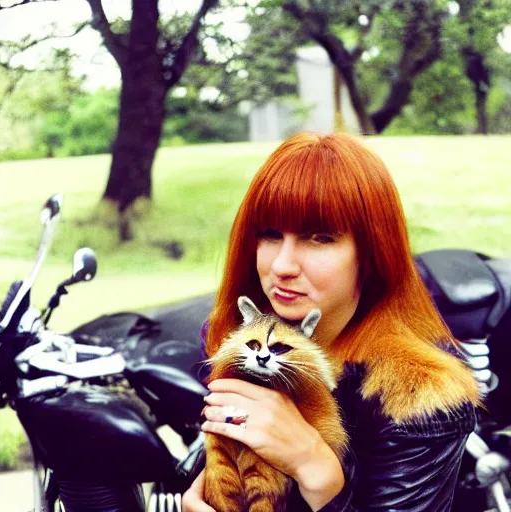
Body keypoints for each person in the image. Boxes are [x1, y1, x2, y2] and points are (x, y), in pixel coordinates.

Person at [182, 132, 479, 511]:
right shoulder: (238, 340)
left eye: (319, 238)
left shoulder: (420, 396)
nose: (282, 266)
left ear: (372, 253)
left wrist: (318, 470)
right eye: (270, 234)